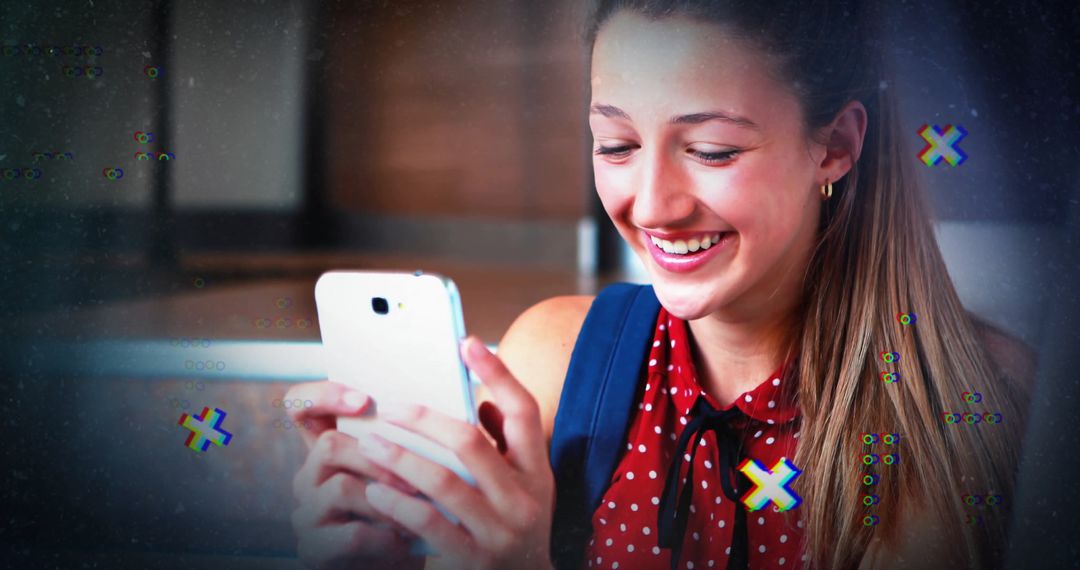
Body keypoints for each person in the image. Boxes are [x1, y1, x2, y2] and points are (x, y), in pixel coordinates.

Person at [283, 1, 1034, 568]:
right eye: (616, 144)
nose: (651, 205)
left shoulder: (967, 408)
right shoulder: (554, 359)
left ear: (834, 146)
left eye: (710, 150)